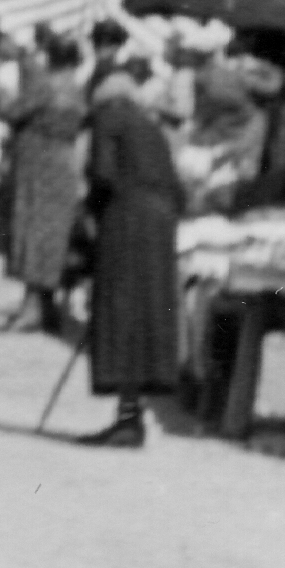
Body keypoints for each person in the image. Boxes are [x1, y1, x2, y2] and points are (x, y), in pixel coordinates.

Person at [81, 28, 186, 448]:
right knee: (146, 317)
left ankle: (127, 420)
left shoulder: (107, 118)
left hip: (126, 220)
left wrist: (90, 212)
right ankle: (132, 413)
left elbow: (103, 174)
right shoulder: (148, 123)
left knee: (121, 314)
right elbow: (176, 187)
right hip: (159, 224)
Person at [1, 33, 85, 334]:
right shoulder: (78, 89)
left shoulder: (46, 85)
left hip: (38, 165)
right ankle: (45, 306)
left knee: (32, 233)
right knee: (53, 237)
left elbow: (12, 111)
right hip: (63, 164)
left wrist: (0, 97)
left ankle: (32, 307)